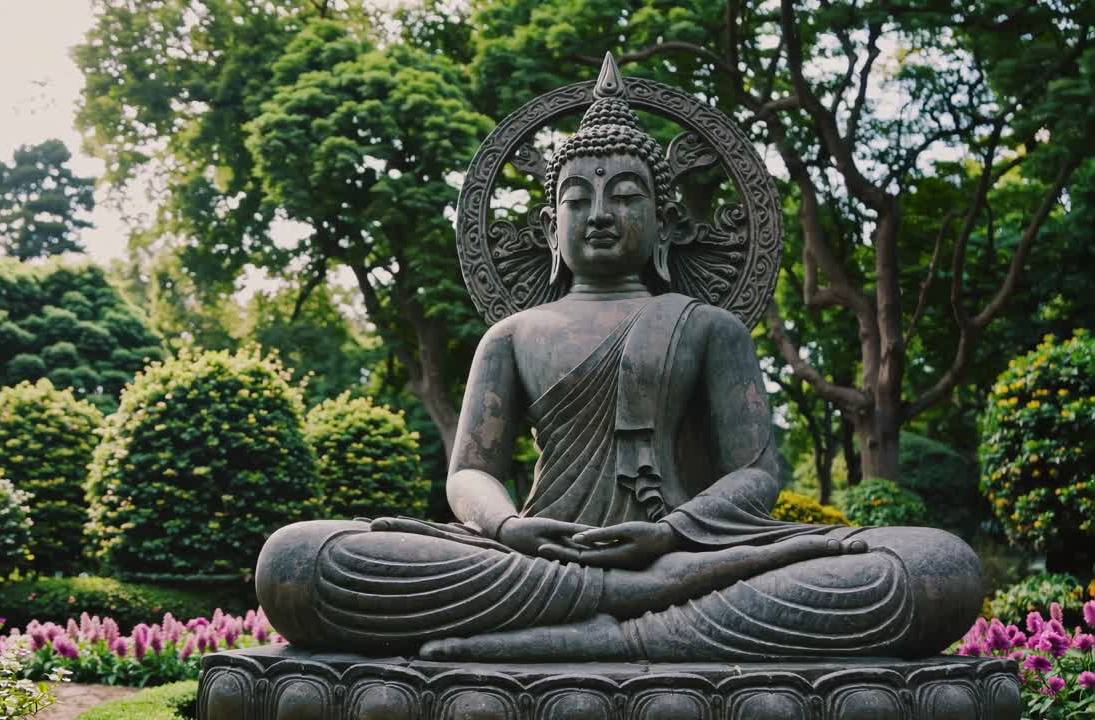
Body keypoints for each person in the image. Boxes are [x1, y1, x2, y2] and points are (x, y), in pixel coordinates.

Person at [254, 59, 982, 663]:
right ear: (551, 227)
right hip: (530, 561)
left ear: (665, 222)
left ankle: (598, 629)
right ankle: (630, 625)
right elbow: (471, 470)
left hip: (681, 559)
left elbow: (756, 475)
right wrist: (509, 529)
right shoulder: (512, 334)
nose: (600, 213)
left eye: (626, 194)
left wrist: (669, 534)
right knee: (296, 560)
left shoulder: (707, 327)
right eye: (579, 199)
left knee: (933, 567)